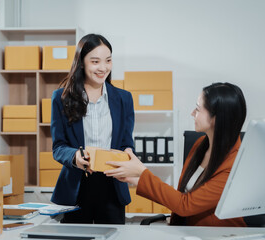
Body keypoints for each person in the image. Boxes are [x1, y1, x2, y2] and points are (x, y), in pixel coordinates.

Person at [105, 82, 247, 226]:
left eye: (198, 109)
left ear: (216, 118)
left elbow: (185, 205)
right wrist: (134, 178)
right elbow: (183, 196)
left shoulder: (233, 166)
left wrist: (142, 173)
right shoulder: (200, 145)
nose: (192, 113)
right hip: (192, 231)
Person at [50, 34, 135, 224]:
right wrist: (75, 157)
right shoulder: (61, 98)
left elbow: (126, 143)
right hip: (77, 188)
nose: (103, 68)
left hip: (113, 186)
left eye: (108, 60)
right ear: (81, 62)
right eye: (95, 61)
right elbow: (58, 147)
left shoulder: (124, 99)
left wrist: (129, 154)